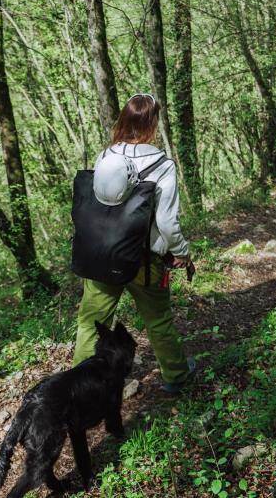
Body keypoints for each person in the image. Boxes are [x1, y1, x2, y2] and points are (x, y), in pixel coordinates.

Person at [72, 93, 195, 394]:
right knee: (158, 320)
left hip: (101, 254)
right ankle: (177, 377)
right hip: (143, 260)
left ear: (124, 120)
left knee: (91, 324)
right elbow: (166, 223)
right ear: (153, 123)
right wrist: (182, 253)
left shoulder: (106, 156)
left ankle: (81, 389)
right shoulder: (162, 165)